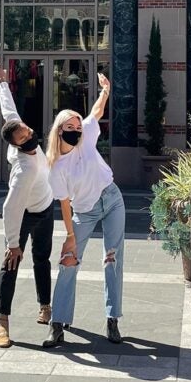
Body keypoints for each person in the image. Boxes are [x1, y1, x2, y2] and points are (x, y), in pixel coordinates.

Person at [42, 72, 126, 347]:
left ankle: (112, 319)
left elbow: (96, 112)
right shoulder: (55, 166)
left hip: (112, 199)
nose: (77, 129)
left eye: (78, 125)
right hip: (83, 211)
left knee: (112, 259)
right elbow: (64, 204)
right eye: (71, 125)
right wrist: (69, 235)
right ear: (59, 129)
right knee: (68, 261)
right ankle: (57, 324)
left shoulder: (86, 136)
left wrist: (105, 90)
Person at [0, 56, 55, 349]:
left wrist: (1, 81)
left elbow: (8, 111)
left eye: (26, 129)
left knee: (42, 259)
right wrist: (13, 243)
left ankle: (45, 306)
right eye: (23, 134)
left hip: (46, 209)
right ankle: (2, 324)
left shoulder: (24, 137)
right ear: (16, 144)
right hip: (25, 216)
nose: (28, 132)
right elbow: (10, 208)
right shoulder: (23, 171)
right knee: (10, 264)